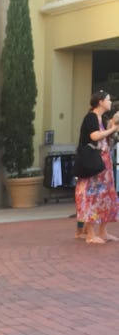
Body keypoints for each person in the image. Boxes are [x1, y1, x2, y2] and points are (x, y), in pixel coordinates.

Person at [75, 90, 119, 244]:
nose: (110, 102)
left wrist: (113, 125)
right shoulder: (91, 117)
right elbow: (94, 136)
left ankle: (103, 231)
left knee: (106, 196)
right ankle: (90, 234)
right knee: (91, 196)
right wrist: (112, 129)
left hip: (104, 164)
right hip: (94, 163)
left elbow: (108, 138)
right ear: (100, 101)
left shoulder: (103, 118)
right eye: (108, 99)